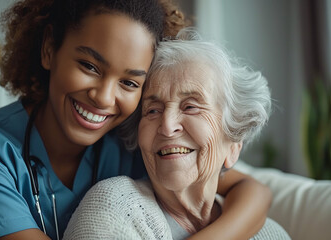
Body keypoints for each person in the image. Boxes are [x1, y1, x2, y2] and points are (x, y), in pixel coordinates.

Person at [0, 0, 271, 239]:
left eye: (129, 83)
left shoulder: (129, 144)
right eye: (90, 67)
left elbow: (251, 189)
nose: (104, 97)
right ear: (49, 49)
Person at [63, 28, 290, 240]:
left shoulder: (270, 233)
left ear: (233, 147)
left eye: (191, 106)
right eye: (152, 110)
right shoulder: (113, 211)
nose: (167, 125)